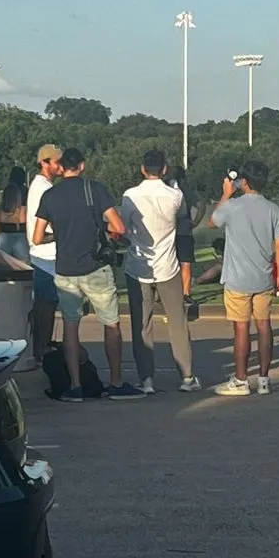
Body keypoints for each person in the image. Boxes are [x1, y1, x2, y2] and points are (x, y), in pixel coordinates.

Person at [32, 147, 145, 402]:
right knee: (111, 323)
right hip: (95, 267)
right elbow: (119, 227)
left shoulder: (50, 195)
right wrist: (104, 232)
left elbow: (37, 237)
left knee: (71, 327)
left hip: (65, 270)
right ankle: (116, 382)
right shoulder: (95, 189)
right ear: (82, 166)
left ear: (61, 167)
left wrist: (58, 235)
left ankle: (75, 385)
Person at [121, 150, 201, 395]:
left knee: (142, 325)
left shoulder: (130, 196)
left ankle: (146, 379)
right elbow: (182, 216)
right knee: (177, 322)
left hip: (138, 266)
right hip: (168, 265)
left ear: (142, 169)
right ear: (164, 169)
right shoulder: (175, 195)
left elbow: (124, 228)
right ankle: (186, 376)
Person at [208, 160, 279, 397]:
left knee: (241, 328)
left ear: (244, 181)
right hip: (263, 276)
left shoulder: (233, 206)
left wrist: (225, 194)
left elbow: (212, 222)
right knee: (264, 326)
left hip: (237, 277)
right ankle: (264, 379)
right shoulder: (274, 209)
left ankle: (241, 379)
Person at [27, 144, 64, 364]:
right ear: (44, 162)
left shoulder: (41, 186)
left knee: (45, 305)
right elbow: (44, 228)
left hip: (43, 255)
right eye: (57, 162)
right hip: (46, 256)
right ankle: (42, 348)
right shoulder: (43, 188)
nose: (61, 166)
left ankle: (41, 346)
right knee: (46, 306)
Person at [170, 165, 197, 305]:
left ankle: (167, 294)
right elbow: (201, 205)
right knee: (185, 264)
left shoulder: (168, 191)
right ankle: (185, 293)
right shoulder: (187, 191)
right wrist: (195, 222)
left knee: (171, 263)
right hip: (183, 232)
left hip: (171, 232)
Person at [0, 181, 28, 261]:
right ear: (18, 196)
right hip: (21, 242)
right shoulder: (24, 210)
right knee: (22, 267)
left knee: (3, 266)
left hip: (4, 241)